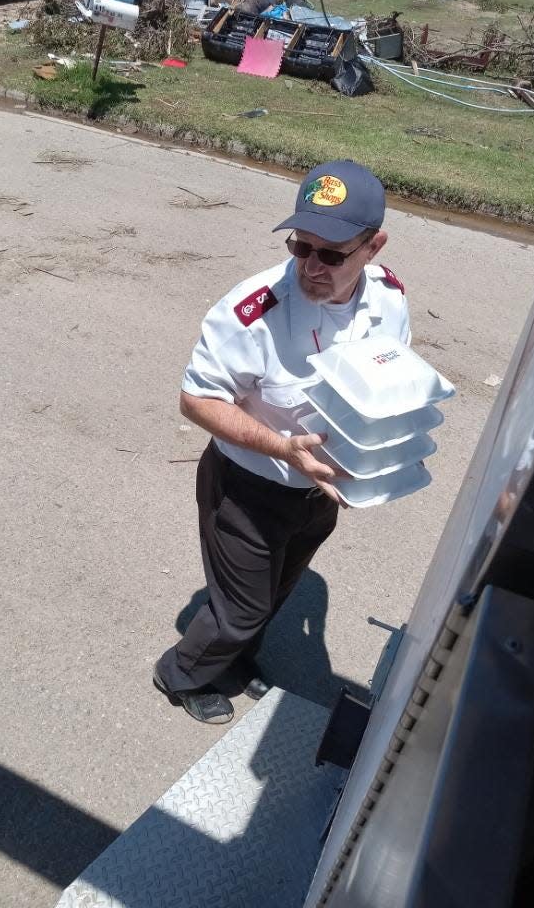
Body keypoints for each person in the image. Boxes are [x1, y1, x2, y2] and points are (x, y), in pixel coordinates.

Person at [153, 161, 411, 724]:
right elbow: (196, 400)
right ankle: (181, 673)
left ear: (374, 247)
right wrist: (282, 447)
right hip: (249, 486)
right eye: (302, 247)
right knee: (239, 610)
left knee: (275, 594)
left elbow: (388, 375)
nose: (311, 267)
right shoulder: (253, 311)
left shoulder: (389, 297)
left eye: (332, 254)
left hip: (320, 490)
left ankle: (233, 660)